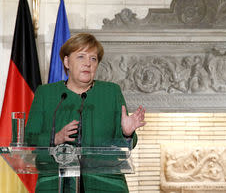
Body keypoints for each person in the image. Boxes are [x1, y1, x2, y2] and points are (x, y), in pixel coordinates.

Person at [25, 33, 146, 192]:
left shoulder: (111, 92)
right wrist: (55, 138)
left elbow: (126, 145)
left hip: (106, 184)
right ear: (67, 62)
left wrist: (127, 133)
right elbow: (29, 138)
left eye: (93, 59)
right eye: (81, 57)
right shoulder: (46, 94)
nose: (88, 63)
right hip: (55, 183)